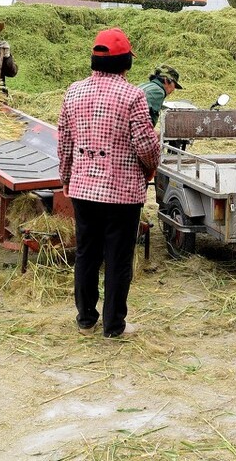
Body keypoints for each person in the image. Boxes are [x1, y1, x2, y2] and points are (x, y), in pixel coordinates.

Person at [57, 27, 161, 339]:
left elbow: (63, 139)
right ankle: (114, 326)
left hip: (84, 189)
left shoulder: (73, 92)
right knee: (118, 259)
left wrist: (65, 177)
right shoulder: (133, 96)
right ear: (125, 63)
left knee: (87, 254)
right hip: (123, 193)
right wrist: (152, 166)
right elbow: (145, 144)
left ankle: (86, 318)